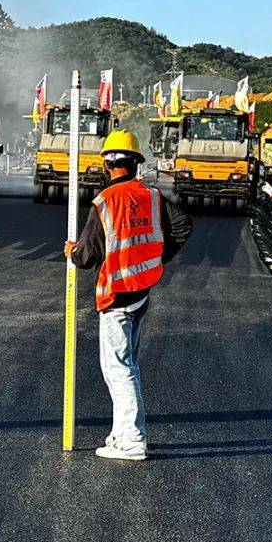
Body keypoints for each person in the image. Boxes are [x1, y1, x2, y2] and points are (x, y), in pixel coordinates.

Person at [63, 130, 192, 461]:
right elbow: (182, 226)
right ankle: (121, 434)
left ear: (108, 164)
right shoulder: (151, 196)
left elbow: (87, 257)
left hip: (117, 294)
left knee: (118, 368)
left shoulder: (104, 202)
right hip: (142, 290)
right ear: (135, 163)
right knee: (124, 364)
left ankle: (133, 440)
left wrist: (72, 252)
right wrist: (156, 256)